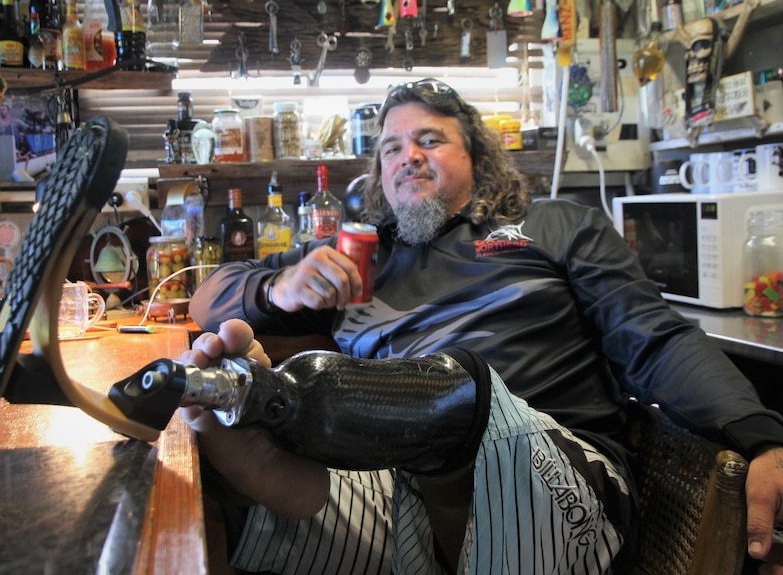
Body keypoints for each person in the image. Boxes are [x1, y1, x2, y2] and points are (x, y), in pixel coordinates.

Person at [183, 78, 783, 574]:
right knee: (201, 431)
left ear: (475, 156)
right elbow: (207, 297)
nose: (406, 156)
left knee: (463, 390)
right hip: (393, 496)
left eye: (428, 140)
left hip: (550, 488)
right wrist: (277, 287)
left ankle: (279, 411)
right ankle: (225, 415)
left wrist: (762, 436)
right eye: (391, 148)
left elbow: (654, 338)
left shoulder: (551, 226)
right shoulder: (356, 258)